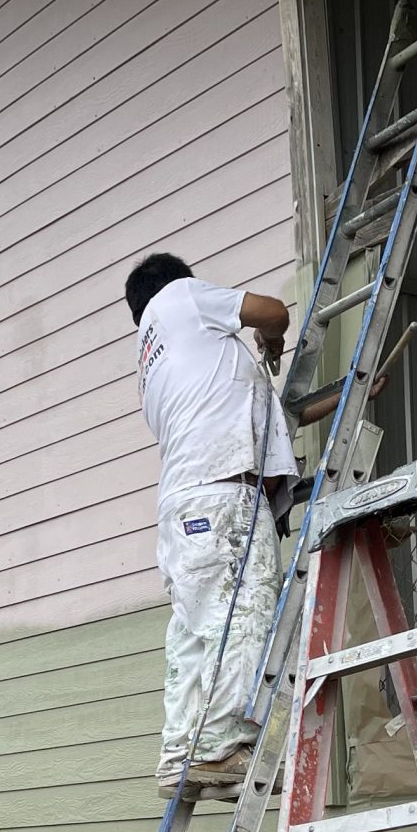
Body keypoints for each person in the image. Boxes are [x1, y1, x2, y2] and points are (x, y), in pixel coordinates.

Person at [126, 252, 305, 801]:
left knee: (195, 631)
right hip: (225, 494)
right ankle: (223, 747)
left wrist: (347, 392)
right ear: (181, 282)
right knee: (245, 610)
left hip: (183, 507)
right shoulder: (181, 299)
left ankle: (181, 753)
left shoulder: (162, 358)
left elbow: (272, 416)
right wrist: (272, 343)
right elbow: (273, 312)